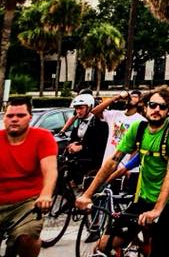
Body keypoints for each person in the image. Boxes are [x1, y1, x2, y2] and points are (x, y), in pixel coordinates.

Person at [77, 87, 169, 257]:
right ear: (145, 107)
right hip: (143, 198)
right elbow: (113, 160)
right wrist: (88, 194)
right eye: (153, 105)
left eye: (162, 107)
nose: (156, 110)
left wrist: (157, 210)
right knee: (103, 245)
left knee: (159, 252)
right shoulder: (139, 128)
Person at [0, 97, 57, 257]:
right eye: (10, 116)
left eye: (20, 115)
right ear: (4, 117)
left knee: (27, 235)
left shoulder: (42, 137)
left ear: (30, 117)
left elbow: (50, 169)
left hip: (27, 202)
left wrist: (46, 194)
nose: (15, 119)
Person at [92, 90, 145, 169]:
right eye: (130, 96)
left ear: (140, 102)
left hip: (124, 167)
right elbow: (95, 111)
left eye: (134, 96)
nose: (131, 98)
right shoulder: (115, 114)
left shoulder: (141, 121)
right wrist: (116, 98)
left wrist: (128, 167)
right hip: (107, 164)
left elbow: (138, 147)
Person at [63, 93, 109, 183]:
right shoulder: (79, 121)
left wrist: (82, 147)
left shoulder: (99, 122)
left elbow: (100, 144)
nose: (78, 111)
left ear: (90, 107)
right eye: (76, 108)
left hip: (93, 163)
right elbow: (74, 137)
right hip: (79, 161)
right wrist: (72, 144)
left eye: (81, 108)